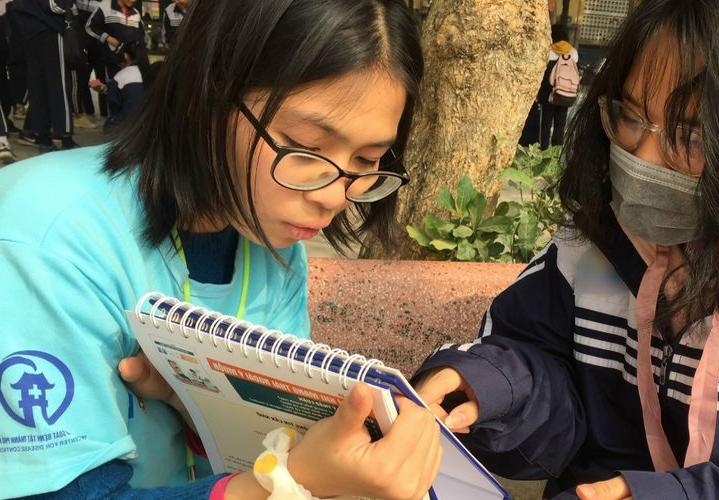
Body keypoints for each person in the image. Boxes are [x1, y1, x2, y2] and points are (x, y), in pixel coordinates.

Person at [415, 1, 719, 499]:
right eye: (629, 115)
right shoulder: (593, 252)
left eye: (694, 134)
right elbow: (542, 361)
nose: (640, 160)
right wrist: (497, 388)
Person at [0, 1, 441, 498]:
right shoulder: (44, 240)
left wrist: (193, 402)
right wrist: (290, 482)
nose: (332, 195)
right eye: (305, 147)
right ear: (205, 94)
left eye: (367, 159)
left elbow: (274, 431)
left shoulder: (267, 240)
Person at [16, 0, 76, 151]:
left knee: (38, 87)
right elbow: (56, 5)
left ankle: (43, 138)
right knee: (59, 85)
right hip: (50, 29)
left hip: (31, 33)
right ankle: (66, 136)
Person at [89, 41, 149, 131]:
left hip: (130, 125)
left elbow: (115, 103)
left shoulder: (121, 75)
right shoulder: (151, 72)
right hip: (150, 122)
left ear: (126, 56)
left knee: (108, 126)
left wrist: (104, 89)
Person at [539, 28, 578, 149]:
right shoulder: (573, 52)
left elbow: (543, 75)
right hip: (566, 94)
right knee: (560, 124)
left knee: (545, 124)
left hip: (548, 94)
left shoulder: (548, 51)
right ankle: (556, 151)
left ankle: (543, 150)